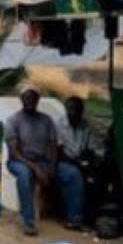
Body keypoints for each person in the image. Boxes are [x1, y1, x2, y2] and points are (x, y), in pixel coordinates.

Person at [6, 88, 84, 236]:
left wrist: (52, 168)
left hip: (43, 161)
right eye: (27, 98)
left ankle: (75, 219)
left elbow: (53, 146)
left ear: (38, 100)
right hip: (20, 162)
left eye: (33, 98)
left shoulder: (46, 120)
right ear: (21, 99)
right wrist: (36, 168)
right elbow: (14, 152)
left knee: (73, 173)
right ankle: (29, 223)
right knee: (24, 176)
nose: (30, 101)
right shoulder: (13, 121)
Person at [57, 97, 106, 228]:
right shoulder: (60, 124)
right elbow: (58, 151)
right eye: (71, 109)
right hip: (62, 162)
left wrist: (88, 162)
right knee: (75, 175)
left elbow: (91, 148)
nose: (74, 112)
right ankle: (74, 218)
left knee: (96, 176)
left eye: (77, 109)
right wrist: (78, 162)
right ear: (66, 109)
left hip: (80, 161)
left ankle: (92, 217)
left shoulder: (85, 125)